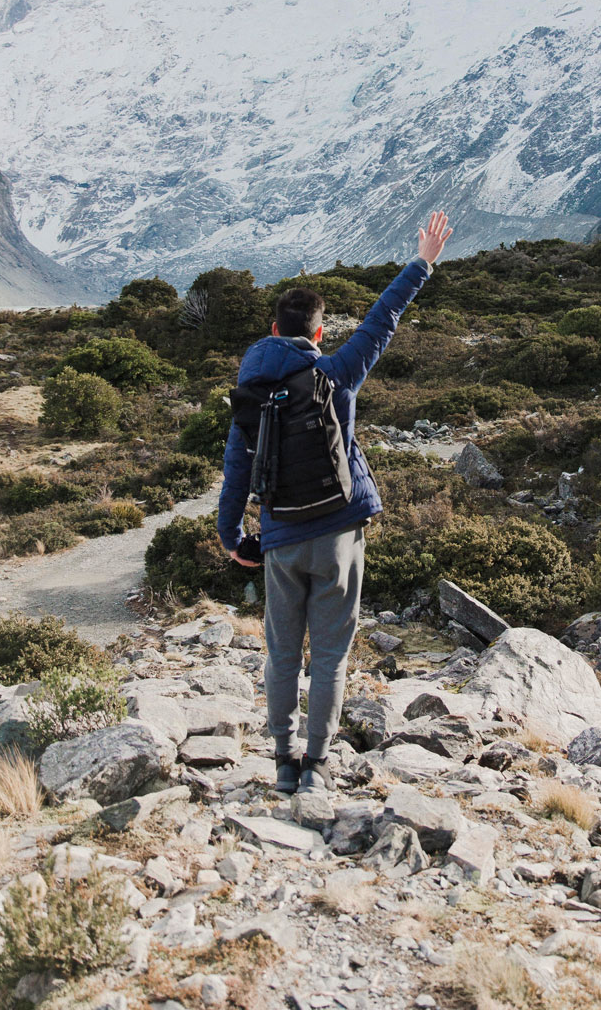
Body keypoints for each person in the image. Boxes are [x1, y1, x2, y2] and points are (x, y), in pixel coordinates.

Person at [216, 210, 453, 794]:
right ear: (318, 333)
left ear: (274, 330)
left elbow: (235, 474)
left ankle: (281, 760)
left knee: (280, 654)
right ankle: (317, 766)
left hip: (279, 538)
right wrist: (421, 261)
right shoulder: (336, 374)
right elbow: (382, 320)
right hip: (340, 535)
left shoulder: (250, 392)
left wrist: (232, 538)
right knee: (329, 655)